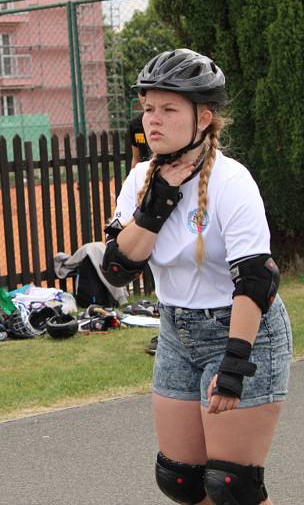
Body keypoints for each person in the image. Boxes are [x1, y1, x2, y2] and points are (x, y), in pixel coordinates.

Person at [100, 49, 292, 504]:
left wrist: (234, 362)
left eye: (168, 109)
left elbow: (256, 279)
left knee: (232, 488)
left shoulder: (231, 181)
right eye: (148, 108)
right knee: (180, 480)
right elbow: (117, 267)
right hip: (175, 331)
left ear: (203, 117)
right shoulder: (140, 181)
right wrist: (157, 204)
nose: (153, 120)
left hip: (242, 330)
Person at [130, 94, 151, 169]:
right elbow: (136, 159)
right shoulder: (135, 124)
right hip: (144, 176)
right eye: (141, 92)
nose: (144, 97)